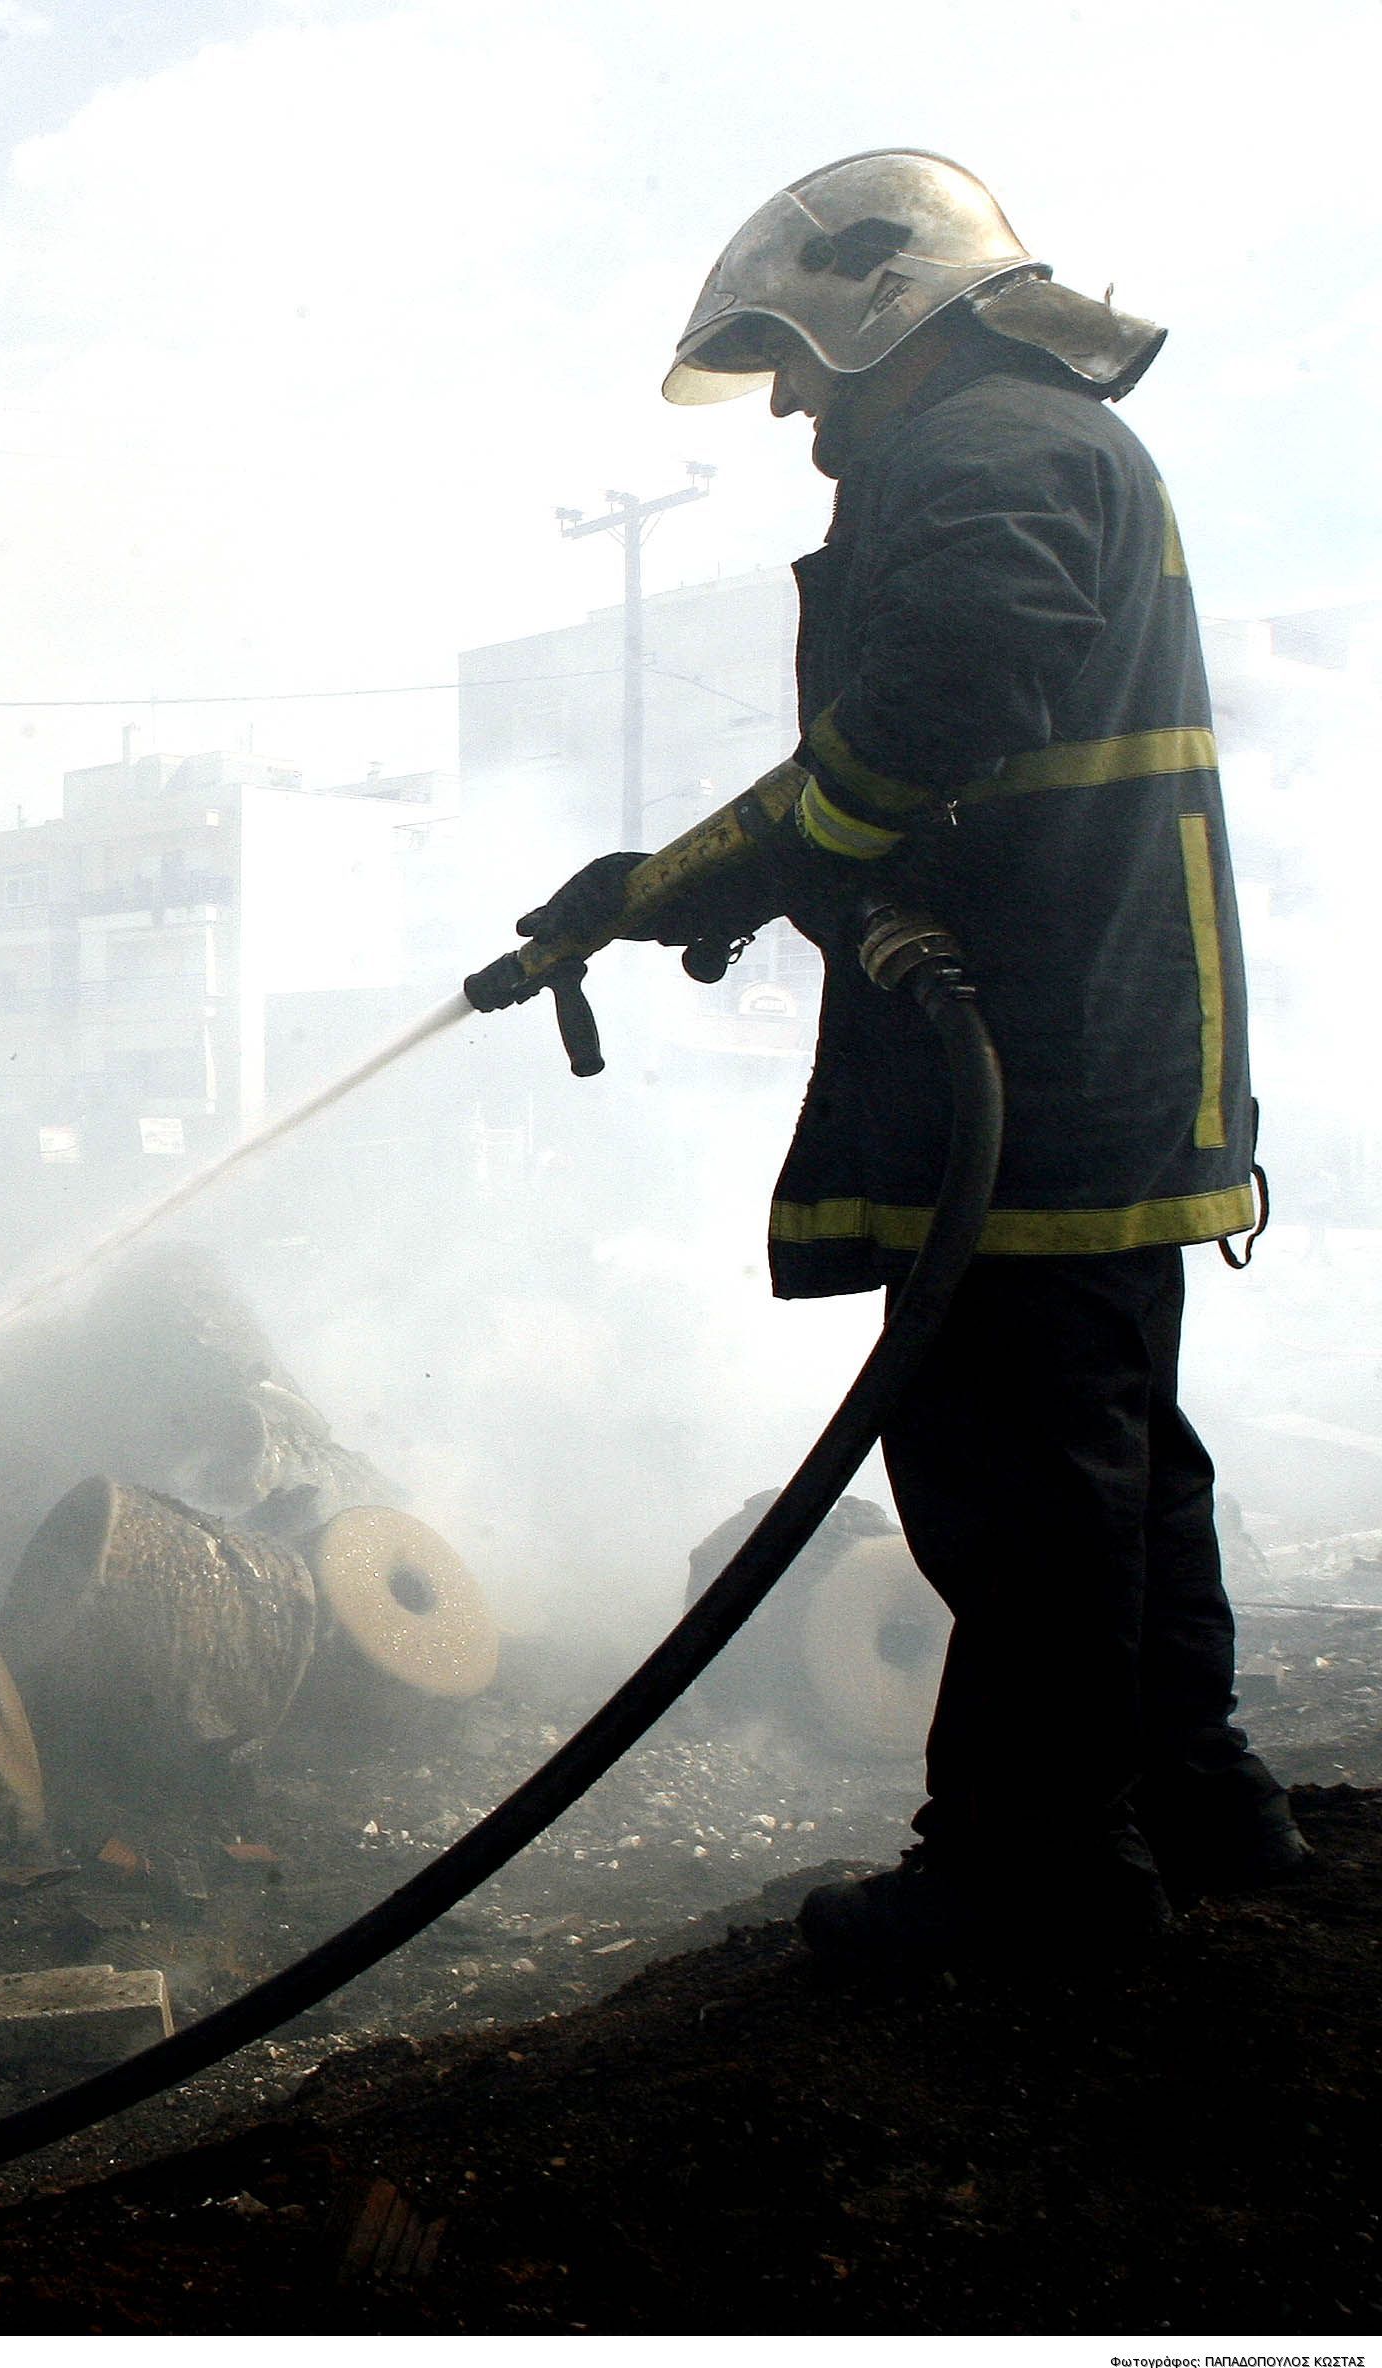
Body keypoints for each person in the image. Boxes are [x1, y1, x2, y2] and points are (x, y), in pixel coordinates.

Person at [516, 149, 1301, 1964]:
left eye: (796, 360)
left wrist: (740, 863)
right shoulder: (1035, 439)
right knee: (1109, 1451)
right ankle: (1194, 1793)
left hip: (1042, 1051)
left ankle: (1039, 1865)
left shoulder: (987, 447)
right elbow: (912, 766)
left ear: (882, 310)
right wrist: (683, 882)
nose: (789, 406)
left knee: (1015, 1476)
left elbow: (931, 710)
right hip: (1086, 1040)